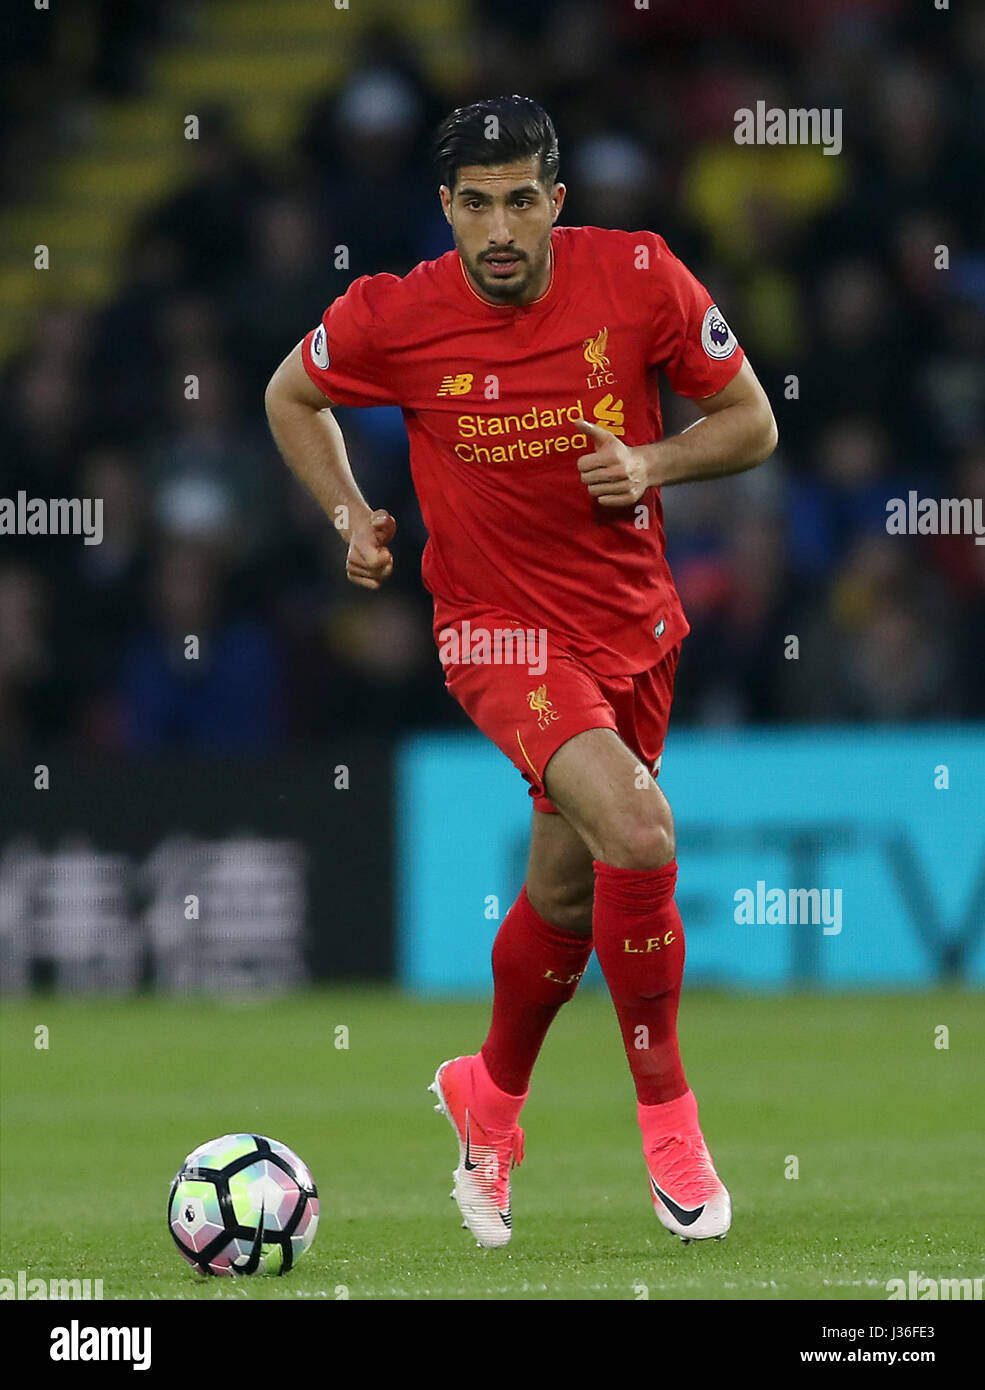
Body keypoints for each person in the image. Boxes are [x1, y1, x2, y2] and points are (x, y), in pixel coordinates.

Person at [265, 95, 777, 1249]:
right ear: (446, 207)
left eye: (520, 201)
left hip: (635, 631)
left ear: (556, 201)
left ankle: (486, 1098)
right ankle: (671, 1123)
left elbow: (750, 422)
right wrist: (348, 513)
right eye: (475, 204)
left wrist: (650, 458)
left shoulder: (641, 277)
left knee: (562, 889)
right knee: (639, 834)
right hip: (494, 631)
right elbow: (286, 394)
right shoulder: (393, 314)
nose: (499, 229)